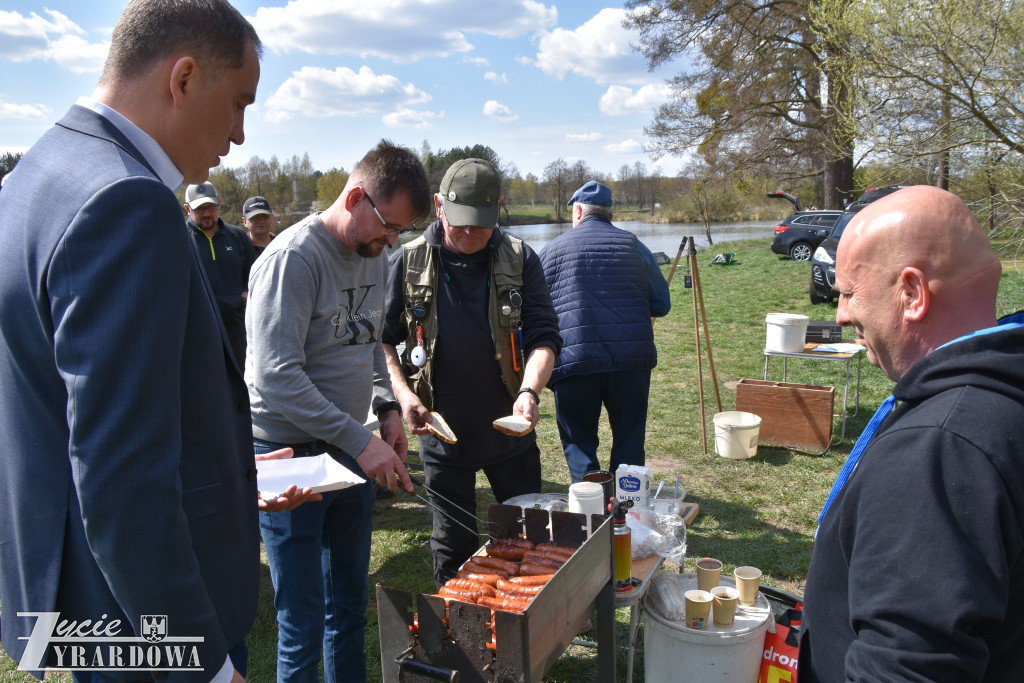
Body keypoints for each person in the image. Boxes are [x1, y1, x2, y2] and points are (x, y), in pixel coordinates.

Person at [0, 1, 313, 681]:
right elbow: (121, 481)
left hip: (75, 588)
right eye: (237, 103)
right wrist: (200, 664)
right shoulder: (127, 203)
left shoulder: (36, 172)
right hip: (143, 618)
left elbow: (70, 399)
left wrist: (232, 475)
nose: (237, 135)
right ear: (183, 78)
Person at [798, 185, 1024, 681]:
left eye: (848, 293)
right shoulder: (1002, 396)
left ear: (912, 293)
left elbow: (909, 666)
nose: (840, 315)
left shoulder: (940, 449)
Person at [245, 140, 432, 683]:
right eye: (388, 227)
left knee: (347, 605)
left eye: (401, 232)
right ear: (355, 199)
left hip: (351, 443)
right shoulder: (292, 260)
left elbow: (368, 341)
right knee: (301, 618)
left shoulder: (374, 254)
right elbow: (274, 376)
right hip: (287, 451)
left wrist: (384, 409)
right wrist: (361, 439)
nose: (392, 241)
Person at [382, 158, 563, 588]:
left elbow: (545, 338)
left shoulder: (520, 258)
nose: (468, 234)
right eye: (459, 223)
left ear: (498, 208)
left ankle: (531, 630)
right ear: (439, 205)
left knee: (528, 540)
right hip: (441, 438)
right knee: (453, 543)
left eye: (479, 225)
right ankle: (456, 634)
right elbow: (382, 342)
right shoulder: (406, 263)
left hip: (511, 434)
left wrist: (531, 393)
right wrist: (404, 397)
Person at [539, 180, 671, 482]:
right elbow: (661, 304)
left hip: (574, 361)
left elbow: (535, 311)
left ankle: (592, 512)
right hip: (630, 362)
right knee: (630, 439)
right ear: (609, 213)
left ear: (578, 211)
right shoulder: (634, 245)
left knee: (579, 443)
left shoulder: (551, 251)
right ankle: (628, 510)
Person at [185, 181, 256, 366]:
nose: (207, 213)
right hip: (198, 334)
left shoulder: (238, 237)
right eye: (200, 209)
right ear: (187, 209)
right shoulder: (178, 239)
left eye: (211, 207)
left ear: (219, 204)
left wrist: (246, 296)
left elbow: (255, 279)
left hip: (239, 331)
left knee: (243, 388)